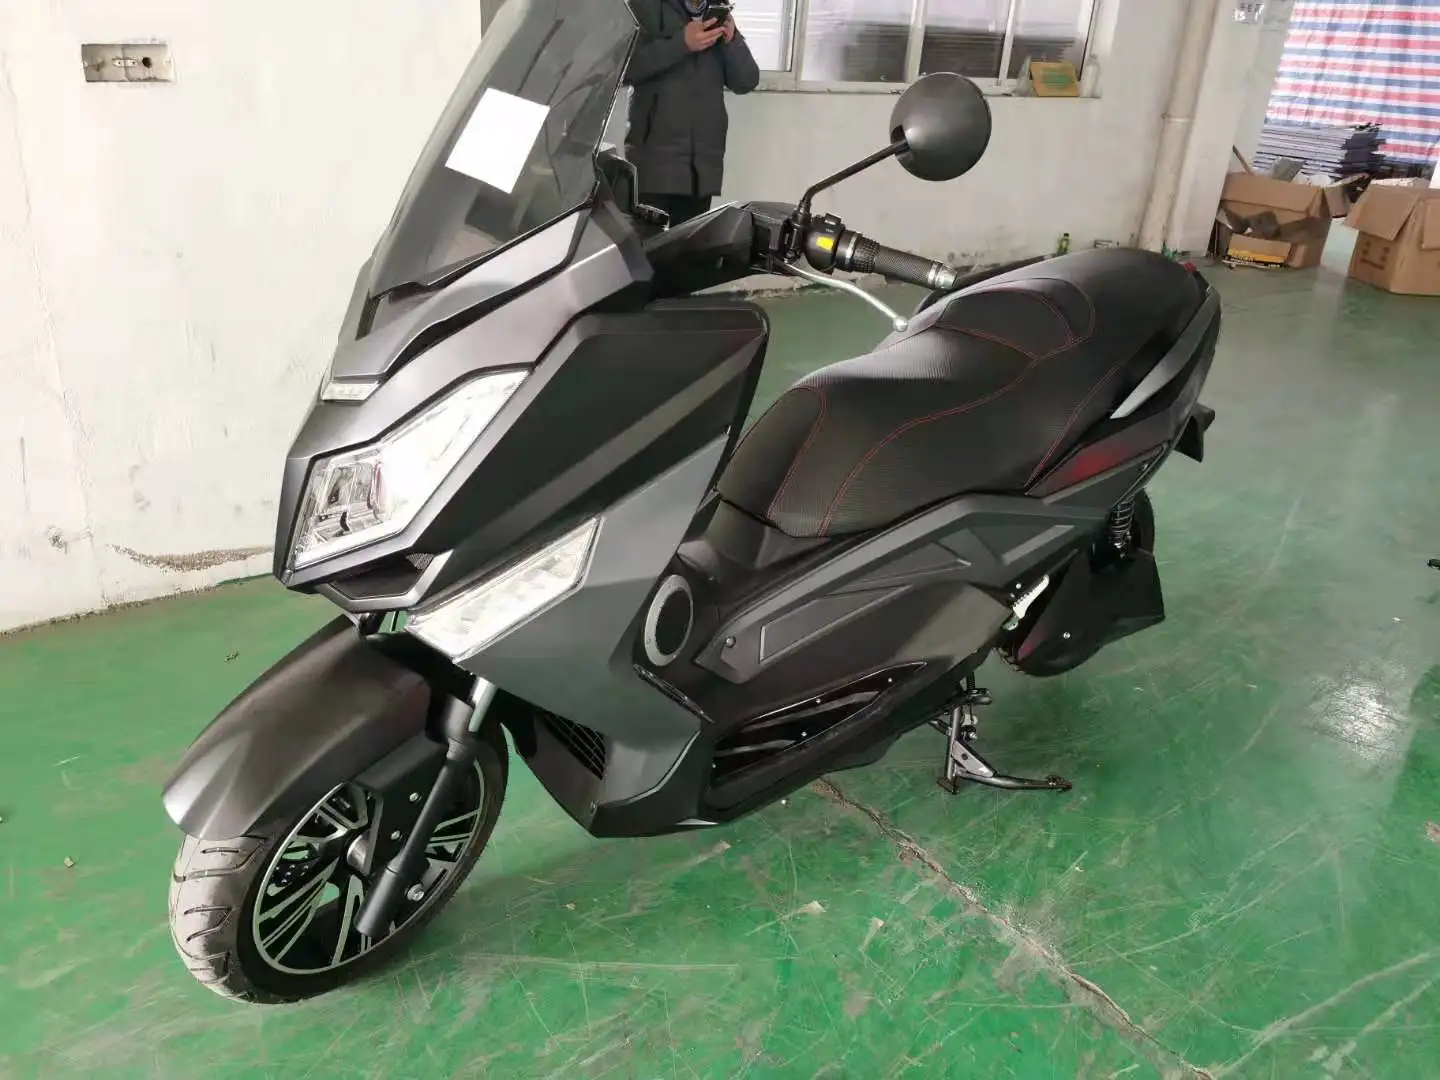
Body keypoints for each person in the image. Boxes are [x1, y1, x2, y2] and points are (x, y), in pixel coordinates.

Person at [623, 1, 760, 226]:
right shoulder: (643, 6)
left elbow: (747, 81)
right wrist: (682, 44)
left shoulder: (716, 9)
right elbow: (623, 67)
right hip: (654, 165)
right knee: (647, 245)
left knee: (691, 246)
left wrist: (732, 40)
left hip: (702, 169)